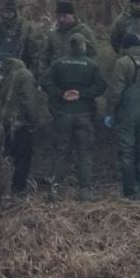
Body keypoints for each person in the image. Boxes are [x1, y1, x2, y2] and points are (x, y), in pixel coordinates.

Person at [43, 32, 107, 196]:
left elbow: (45, 82)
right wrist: (83, 94)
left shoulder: (58, 64)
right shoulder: (92, 65)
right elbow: (101, 86)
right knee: (84, 151)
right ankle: (85, 188)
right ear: (83, 45)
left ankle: (55, 188)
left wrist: (61, 93)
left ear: (70, 46)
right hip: (84, 113)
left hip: (63, 113)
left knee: (60, 150)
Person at [106, 31, 140, 200]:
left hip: (126, 114)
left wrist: (110, 112)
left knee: (127, 151)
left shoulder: (122, 63)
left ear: (125, 47)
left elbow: (115, 91)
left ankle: (130, 191)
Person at [0, 55, 42, 195]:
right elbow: (28, 102)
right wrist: (34, 121)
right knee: (22, 157)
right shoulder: (24, 75)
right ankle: (17, 189)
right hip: (15, 124)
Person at [36, 0, 98, 72]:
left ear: (72, 15)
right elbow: (44, 58)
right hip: (57, 77)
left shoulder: (85, 32)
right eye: (59, 16)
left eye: (64, 16)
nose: (61, 19)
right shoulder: (53, 34)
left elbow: (94, 56)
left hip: (79, 75)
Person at [0, 0, 30, 69]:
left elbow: (25, 51)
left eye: (8, 12)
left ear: (14, 12)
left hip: (15, 64)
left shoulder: (23, 27)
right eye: (3, 12)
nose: (5, 15)